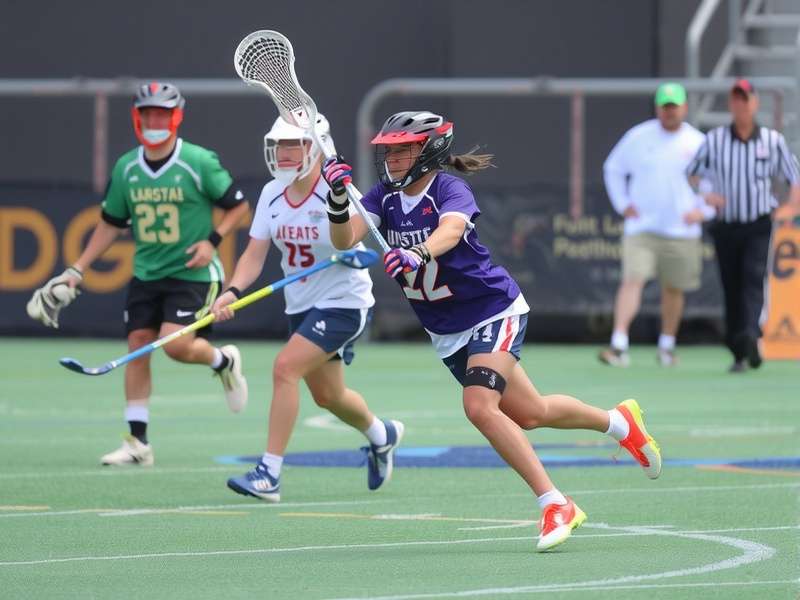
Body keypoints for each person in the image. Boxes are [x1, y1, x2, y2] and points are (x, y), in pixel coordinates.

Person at [322, 110, 662, 552]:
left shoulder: (449, 188)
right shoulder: (384, 197)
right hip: (447, 330)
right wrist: (334, 197)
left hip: (492, 311)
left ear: (428, 150)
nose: (393, 158)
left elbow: (451, 230)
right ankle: (620, 423)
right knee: (531, 412)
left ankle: (556, 503)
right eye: (389, 150)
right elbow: (344, 238)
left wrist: (417, 254)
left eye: (403, 148)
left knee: (480, 407)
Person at [26, 82, 250, 466]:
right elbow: (111, 224)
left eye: (161, 113)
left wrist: (212, 240)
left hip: (193, 274)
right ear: (137, 117)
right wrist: (77, 269)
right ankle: (137, 443)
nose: (154, 121)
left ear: (175, 117)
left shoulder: (197, 161)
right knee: (137, 349)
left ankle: (222, 361)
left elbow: (238, 207)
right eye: (147, 114)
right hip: (147, 272)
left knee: (175, 345)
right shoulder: (127, 167)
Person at [212, 114, 402, 502]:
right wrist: (231, 290)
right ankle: (382, 436)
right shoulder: (270, 194)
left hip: (343, 304)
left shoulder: (340, 194)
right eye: (279, 146)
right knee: (328, 396)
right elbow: (253, 255)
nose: (283, 154)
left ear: (315, 147)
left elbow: (356, 246)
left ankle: (270, 474)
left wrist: (354, 256)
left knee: (285, 369)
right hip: (301, 305)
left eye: (293, 145)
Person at [686, 79, 800, 373]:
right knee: (731, 284)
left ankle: (751, 333)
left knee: (753, 276)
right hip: (726, 223)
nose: (741, 105)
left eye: (745, 99)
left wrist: (790, 206)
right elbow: (691, 173)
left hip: (758, 222)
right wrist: (705, 196)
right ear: (731, 104)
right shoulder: (715, 140)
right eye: (736, 99)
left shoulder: (771, 141)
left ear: (755, 103)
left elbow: (794, 175)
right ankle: (738, 349)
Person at [599, 82, 711, 367]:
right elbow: (613, 168)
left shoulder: (698, 142)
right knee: (632, 281)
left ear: (685, 107)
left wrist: (704, 210)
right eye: (665, 106)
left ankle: (666, 345)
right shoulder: (638, 136)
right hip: (642, 229)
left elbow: (715, 182)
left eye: (674, 106)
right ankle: (619, 344)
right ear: (658, 108)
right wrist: (623, 204)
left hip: (682, 232)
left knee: (674, 288)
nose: (669, 111)